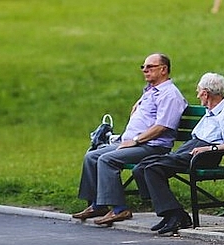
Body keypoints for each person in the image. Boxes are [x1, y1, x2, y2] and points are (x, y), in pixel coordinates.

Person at [72, 53, 188, 225]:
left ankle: (119, 209)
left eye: (150, 67)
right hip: (134, 142)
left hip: (152, 146)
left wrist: (135, 141)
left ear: (163, 69)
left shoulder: (170, 95)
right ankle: (98, 205)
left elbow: (162, 127)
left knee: (107, 159)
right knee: (92, 156)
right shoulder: (150, 91)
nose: (145, 70)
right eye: (143, 67)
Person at [132, 72, 224, 235]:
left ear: (206, 94)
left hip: (205, 154)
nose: (197, 94)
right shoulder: (211, 110)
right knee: (141, 167)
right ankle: (169, 213)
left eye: (199, 91)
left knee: (153, 168)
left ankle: (176, 215)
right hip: (193, 149)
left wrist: (209, 149)